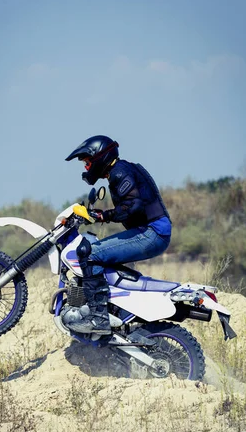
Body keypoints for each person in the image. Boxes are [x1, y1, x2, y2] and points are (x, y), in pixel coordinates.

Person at [65, 135, 172, 335]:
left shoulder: (120, 172)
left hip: (152, 233)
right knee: (97, 252)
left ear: (99, 158)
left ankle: (98, 318)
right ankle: (112, 309)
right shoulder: (122, 170)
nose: (86, 168)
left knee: (89, 254)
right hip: (151, 231)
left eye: (88, 163)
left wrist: (101, 216)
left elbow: (133, 206)